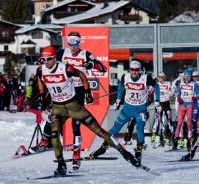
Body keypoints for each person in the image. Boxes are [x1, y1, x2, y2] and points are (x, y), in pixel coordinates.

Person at [35, 46, 139, 177]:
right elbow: (40, 78)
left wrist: (87, 91)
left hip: (73, 106)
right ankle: (61, 165)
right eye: (43, 59)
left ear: (55, 58)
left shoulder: (65, 68)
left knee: (99, 131)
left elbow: (82, 74)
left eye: (49, 59)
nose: (46, 62)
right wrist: (41, 93)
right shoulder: (40, 69)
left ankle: (125, 153)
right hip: (58, 107)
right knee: (54, 134)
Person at [87, 61, 158, 165]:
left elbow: (157, 86)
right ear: (129, 70)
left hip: (140, 109)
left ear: (140, 70)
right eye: (132, 70)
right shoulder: (125, 77)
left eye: (136, 70)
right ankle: (103, 148)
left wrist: (157, 101)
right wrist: (118, 100)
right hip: (127, 109)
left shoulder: (146, 78)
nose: (134, 72)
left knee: (139, 128)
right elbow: (120, 87)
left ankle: (138, 151)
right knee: (114, 129)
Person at [57, 31, 107, 164]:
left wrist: (91, 64)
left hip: (79, 90)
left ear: (79, 43)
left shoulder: (86, 54)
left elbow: (103, 69)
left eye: (76, 43)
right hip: (65, 90)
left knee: (75, 124)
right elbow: (49, 63)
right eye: (71, 43)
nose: (73, 47)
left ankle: (76, 153)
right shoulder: (62, 53)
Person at [173, 70, 199, 150]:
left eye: (188, 76)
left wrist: (194, 97)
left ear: (191, 77)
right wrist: (178, 98)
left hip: (190, 104)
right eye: (185, 76)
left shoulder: (194, 84)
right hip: (182, 105)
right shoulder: (181, 84)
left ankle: (189, 141)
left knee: (189, 123)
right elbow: (178, 93)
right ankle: (175, 141)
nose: (187, 78)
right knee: (179, 123)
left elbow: (196, 93)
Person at [151, 71, 175, 147]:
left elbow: (171, 93)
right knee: (158, 120)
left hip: (166, 103)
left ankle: (167, 136)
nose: (160, 79)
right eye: (159, 77)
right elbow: (150, 91)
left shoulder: (168, 83)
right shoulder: (155, 84)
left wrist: (173, 90)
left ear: (164, 78)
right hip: (158, 104)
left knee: (167, 119)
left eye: (161, 77)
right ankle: (154, 136)